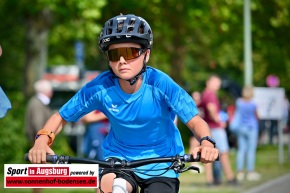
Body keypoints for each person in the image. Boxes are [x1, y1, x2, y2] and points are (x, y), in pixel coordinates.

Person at [27, 14, 219, 193]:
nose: (121, 61)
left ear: (146, 55)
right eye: (114, 55)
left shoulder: (161, 84)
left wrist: (207, 142)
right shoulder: (100, 88)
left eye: (130, 52)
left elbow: (195, 121)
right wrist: (41, 141)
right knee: (108, 188)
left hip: (161, 164)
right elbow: (61, 116)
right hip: (119, 160)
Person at [199, 75, 236, 186]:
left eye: (218, 83)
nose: (217, 85)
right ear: (208, 82)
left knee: (208, 154)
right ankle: (230, 178)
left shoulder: (204, 94)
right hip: (215, 128)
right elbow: (211, 109)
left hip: (207, 128)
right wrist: (219, 121)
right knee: (224, 153)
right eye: (215, 82)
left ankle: (211, 180)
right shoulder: (210, 94)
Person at [25, 79, 53, 193]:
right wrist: (43, 140)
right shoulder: (37, 103)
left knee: (40, 173)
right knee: (39, 173)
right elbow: (38, 124)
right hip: (38, 143)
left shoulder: (37, 102)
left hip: (38, 142)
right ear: (47, 91)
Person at [235, 86, 261, 181]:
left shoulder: (239, 102)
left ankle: (240, 172)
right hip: (252, 128)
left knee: (241, 150)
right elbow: (257, 115)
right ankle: (250, 172)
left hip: (241, 127)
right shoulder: (253, 103)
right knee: (251, 150)